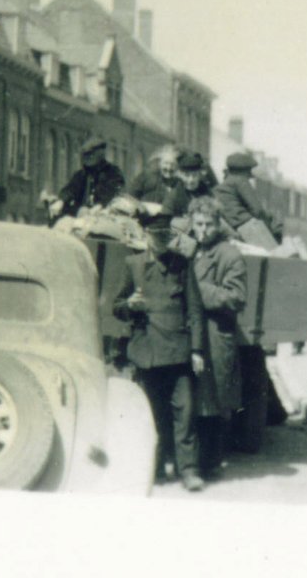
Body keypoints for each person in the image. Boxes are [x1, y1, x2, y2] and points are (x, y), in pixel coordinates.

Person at [110, 206, 207, 492]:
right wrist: (130, 305)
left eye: (166, 234)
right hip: (148, 352)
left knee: (185, 413)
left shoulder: (182, 265)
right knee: (151, 414)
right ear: (146, 235)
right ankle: (154, 468)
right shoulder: (133, 264)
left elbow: (195, 311)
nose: (161, 240)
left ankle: (188, 470)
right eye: (155, 234)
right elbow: (116, 307)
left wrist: (197, 350)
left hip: (178, 352)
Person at [188, 196, 248, 479]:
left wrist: (196, 290)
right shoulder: (188, 249)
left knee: (210, 403)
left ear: (217, 224)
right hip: (187, 335)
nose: (203, 230)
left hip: (214, 336)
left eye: (208, 224)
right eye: (198, 224)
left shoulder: (228, 255)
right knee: (188, 399)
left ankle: (209, 462)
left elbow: (236, 298)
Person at [213, 152, 281, 250]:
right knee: (273, 256)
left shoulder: (225, 184)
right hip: (248, 227)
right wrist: (269, 227)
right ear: (244, 171)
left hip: (230, 229)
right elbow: (258, 210)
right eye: (249, 171)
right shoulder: (240, 181)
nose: (250, 175)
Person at [50, 136, 126, 220]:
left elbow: (111, 192)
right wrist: (61, 201)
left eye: (90, 155)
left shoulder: (112, 172)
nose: (86, 159)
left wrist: (100, 205)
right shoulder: (82, 174)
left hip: (105, 215)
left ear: (99, 155)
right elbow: (71, 188)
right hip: (82, 215)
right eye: (84, 156)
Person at [163, 150, 216, 218]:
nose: (191, 180)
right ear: (181, 175)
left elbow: (217, 217)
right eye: (187, 175)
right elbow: (164, 220)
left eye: (194, 175)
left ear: (200, 175)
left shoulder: (208, 194)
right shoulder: (173, 196)